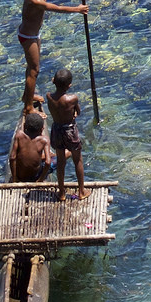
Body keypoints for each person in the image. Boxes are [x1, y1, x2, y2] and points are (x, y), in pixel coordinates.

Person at [17, 0, 88, 107]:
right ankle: (28, 107)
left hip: (34, 34)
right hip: (28, 36)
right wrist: (77, 9)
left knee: (31, 68)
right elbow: (55, 8)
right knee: (34, 70)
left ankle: (27, 96)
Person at [48, 67, 86, 202]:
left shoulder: (49, 97)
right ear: (69, 85)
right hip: (70, 130)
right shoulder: (73, 98)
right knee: (78, 160)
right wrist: (74, 114)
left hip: (57, 130)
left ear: (54, 82)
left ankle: (62, 193)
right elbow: (78, 112)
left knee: (61, 162)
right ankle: (81, 191)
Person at [9, 111, 55, 183]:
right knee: (63, 155)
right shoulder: (44, 140)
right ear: (42, 129)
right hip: (35, 176)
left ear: (24, 126)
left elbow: (12, 157)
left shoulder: (19, 135)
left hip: (19, 176)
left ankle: (40, 157)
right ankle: (42, 176)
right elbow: (48, 162)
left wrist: (15, 178)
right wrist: (40, 179)